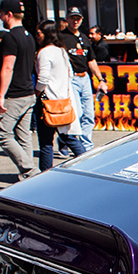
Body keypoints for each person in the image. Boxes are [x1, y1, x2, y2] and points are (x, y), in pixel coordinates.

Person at [0, 0, 38, 179]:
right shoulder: (28, 35)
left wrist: (0, 96)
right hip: (28, 92)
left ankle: (31, 172)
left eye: (1, 14)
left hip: (14, 94)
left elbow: (8, 67)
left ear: (9, 15)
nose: (0, 18)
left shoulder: (9, 37)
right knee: (24, 136)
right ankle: (28, 176)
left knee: (2, 133)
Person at [34, 21, 90, 172]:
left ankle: (45, 175)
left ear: (46, 34)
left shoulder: (44, 52)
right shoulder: (62, 51)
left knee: (46, 143)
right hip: (63, 101)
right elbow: (70, 74)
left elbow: (43, 79)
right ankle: (89, 164)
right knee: (68, 137)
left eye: (39, 33)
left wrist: (36, 93)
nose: (37, 36)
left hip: (48, 103)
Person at [63, 7, 108, 150]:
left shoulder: (84, 38)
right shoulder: (61, 37)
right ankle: (66, 142)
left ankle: (86, 146)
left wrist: (100, 80)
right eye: (72, 18)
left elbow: (91, 60)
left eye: (78, 18)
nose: (75, 21)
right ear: (67, 19)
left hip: (85, 77)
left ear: (81, 20)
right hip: (71, 78)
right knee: (77, 113)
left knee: (89, 114)